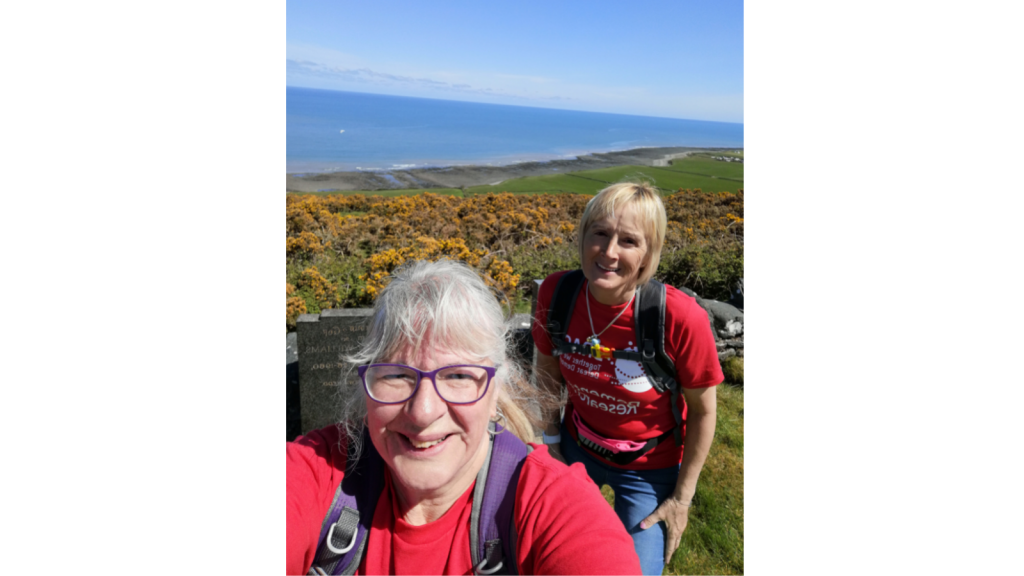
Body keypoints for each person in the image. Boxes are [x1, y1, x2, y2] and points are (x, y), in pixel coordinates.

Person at [287, 259, 642, 575]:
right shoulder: (317, 472)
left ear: (495, 391)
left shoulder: (551, 507)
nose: (423, 412)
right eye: (396, 374)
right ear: (366, 382)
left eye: (458, 376)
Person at [531, 182, 724, 575]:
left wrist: (682, 499)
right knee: (540, 557)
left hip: (648, 469)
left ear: (648, 254)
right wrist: (550, 442)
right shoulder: (557, 293)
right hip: (574, 445)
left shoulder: (680, 318)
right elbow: (547, 373)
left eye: (629, 241)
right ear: (583, 236)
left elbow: (704, 412)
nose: (609, 251)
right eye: (599, 233)